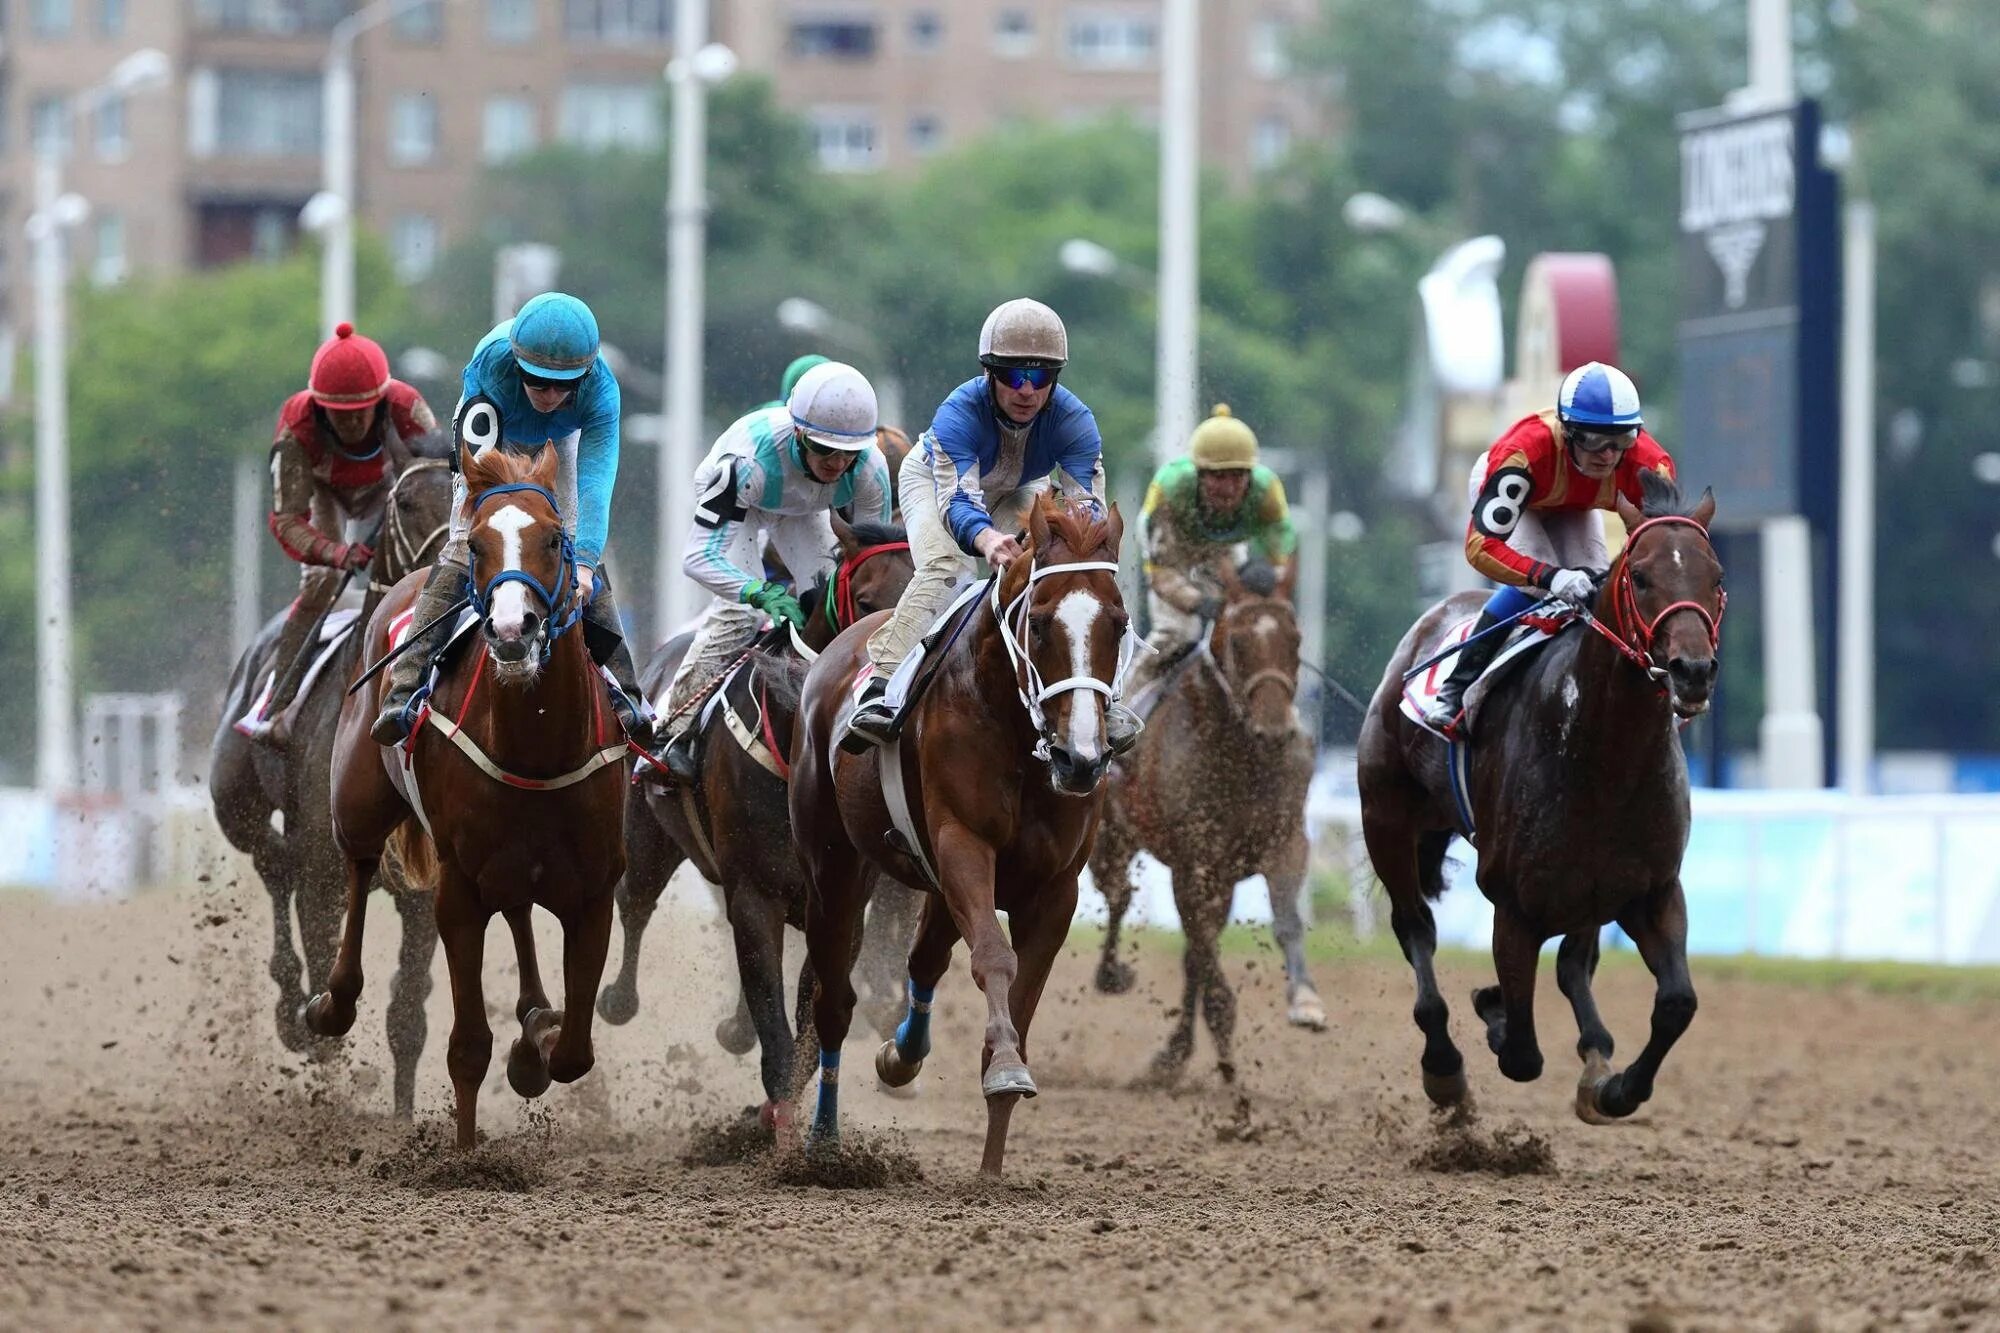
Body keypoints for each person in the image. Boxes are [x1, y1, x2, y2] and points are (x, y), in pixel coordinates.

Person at [841, 297, 1138, 752]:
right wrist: (986, 539)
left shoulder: (1075, 420)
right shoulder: (958, 413)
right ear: (989, 374)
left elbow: (1087, 513)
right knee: (950, 569)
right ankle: (881, 683)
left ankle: (1102, 698)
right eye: (1013, 376)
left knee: (1077, 577)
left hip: (1020, 484)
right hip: (938, 484)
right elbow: (960, 500)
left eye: (1040, 378)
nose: (1027, 391)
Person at [370, 291, 653, 750]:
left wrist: (582, 562)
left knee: (574, 550)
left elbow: (596, 484)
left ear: (584, 377)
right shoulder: (492, 367)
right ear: (518, 366)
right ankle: (403, 688)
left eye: (563, 386)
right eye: (538, 382)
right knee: (465, 546)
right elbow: (482, 474)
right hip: (491, 441)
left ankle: (629, 695)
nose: (550, 395)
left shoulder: (603, 391)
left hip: (559, 445)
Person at [656, 360, 893, 781]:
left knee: (828, 600)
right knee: (740, 613)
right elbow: (695, 559)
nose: (837, 464)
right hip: (747, 500)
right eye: (824, 449)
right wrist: (756, 592)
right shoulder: (745, 464)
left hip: (802, 508)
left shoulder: (872, 470)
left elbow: (872, 560)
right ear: (800, 433)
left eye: (849, 454)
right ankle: (671, 729)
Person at [1423, 360, 1677, 737]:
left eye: (1621, 440)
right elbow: (1480, 548)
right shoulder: (1523, 454)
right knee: (1542, 587)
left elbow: (1663, 555)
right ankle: (1457, 684)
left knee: (1595, 590)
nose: (1608, 455)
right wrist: (1550, 577)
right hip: (1520, 502)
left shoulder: (1651, 467)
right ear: (1568, 431)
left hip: (1574, 506)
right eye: (1593, 439)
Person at [250, 322, 439, 746]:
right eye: (340, 414)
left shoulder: (406, 406)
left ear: (381, 400)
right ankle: (280, 703)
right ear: (318, 406)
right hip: (327, 494)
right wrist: (336, 554)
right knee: (322, 583)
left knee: (432, 572)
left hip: (392, 487)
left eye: (362, 411)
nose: (352, 423)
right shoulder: (295, 429)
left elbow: (438, 474)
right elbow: (286, 520)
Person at [1124, 404, 1297, 699]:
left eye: (1237, 476)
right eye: (1218, 477)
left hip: (1225, 552)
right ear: (1199, 474)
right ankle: (1124, 707)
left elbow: (1281, 554)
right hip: (1173, 553)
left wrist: (1268, 572)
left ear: (1250, 475)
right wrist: (1200, 603)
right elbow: (1161, 574)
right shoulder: (1171, 489)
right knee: (1180, 635)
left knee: (1257, 629)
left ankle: (1276, 716)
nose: (1229, 489)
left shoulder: (1267, 491)